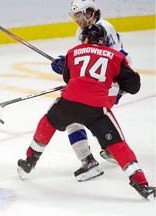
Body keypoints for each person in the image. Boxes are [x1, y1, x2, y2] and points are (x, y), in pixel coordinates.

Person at [18, 24, 155, 199]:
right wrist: (116, 82)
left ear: (84, 39)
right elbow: (134, 86)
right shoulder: (116, 56)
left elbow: (68, 78)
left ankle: (30, 160)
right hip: (96, 108)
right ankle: (141, 184)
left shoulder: (73, 52)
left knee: (48, 122)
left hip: (68, 103)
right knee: (118, 145)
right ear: (103, 41)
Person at [50, 0, 130, 182]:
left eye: (78, 14)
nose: (76, 19)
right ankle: (110, 149)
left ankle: (92, 159)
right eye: (74, 15)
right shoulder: (81, 31)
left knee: (77, 115)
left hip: (110, 83)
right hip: (98, 84)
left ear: (89, 12)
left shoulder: (105, 27)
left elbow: (120, 60)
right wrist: (65, 62)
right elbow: (83, 56)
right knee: (91, 115)